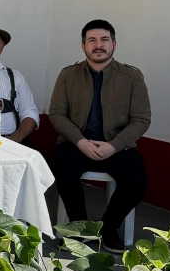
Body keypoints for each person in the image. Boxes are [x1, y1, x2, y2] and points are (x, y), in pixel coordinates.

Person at [49, 19, 151, 253]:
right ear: (83, 46)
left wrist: (114, 146)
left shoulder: (132, 77)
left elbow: (141, 119)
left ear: (114, 44)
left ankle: (107, 228)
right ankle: (81, 228)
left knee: (136, 181)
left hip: (117, 145)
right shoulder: (68, 75)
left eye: (104, 40)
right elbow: (57, 114)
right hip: (75, 143)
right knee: (64, 172)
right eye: (92, 40)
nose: (98, 45)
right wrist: (81, 142)